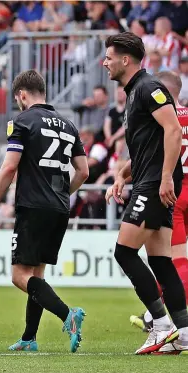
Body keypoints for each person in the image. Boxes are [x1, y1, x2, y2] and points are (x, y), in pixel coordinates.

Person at [0, 70, 89, 353]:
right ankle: (30, 338)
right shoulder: (69, 125)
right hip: (58, 207)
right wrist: (62, 193)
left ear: (21, 95)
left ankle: (68, 316)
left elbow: (9, 166)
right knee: (36, 276)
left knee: (19, 276)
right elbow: (83, 171)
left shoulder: (22, 120)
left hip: (33, 206)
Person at [104, 32, 188, 355]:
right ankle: (182, 332)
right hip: (150, 180)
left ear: (126, 60)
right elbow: (146, 147)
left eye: (109, 57)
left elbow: (173, 129)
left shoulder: (148, 87)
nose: (105, 63)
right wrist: (123, 175)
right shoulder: (135, 93)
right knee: (162, 262)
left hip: (155, 184)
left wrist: (166, 176)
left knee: (124, 253)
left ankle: (160, 324)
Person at [129, 71, 188, 354]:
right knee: (168, 258)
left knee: (170, 259)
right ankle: (179, 328)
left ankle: (158, 320)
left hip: (173, 189)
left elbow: (155, 147)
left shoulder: (161, 117)